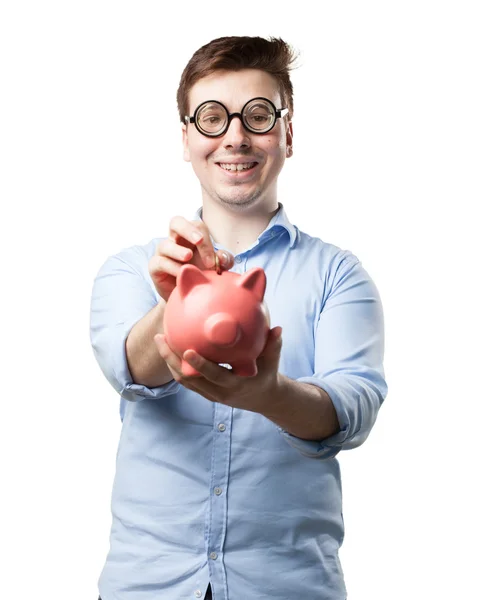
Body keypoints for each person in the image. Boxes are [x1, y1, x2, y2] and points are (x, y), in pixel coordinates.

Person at [90, 35, 388, 600]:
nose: (234, 136)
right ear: (185, 139)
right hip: (147, 587)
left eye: (257, 115)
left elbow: (355, 408)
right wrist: (174, 306)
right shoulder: (130, 270)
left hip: (288, 587)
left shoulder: (339, 276)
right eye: (211, 118)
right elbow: (129, 368)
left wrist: (268, 395)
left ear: (288, 133)